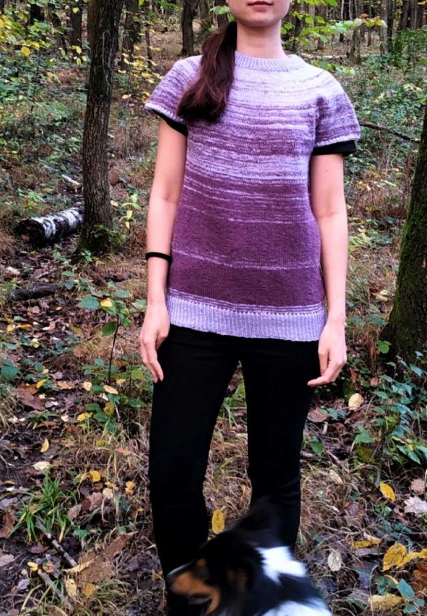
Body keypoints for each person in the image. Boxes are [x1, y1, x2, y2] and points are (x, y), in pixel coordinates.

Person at [140, 2, 360, 614]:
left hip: (290, 320)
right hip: (192, 312)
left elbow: (330, 211)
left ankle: (261, 605)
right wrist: (156, 300)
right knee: (172, 475)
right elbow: (165, 194)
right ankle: (195, 602)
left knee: (275, 480)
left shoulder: (320, 90)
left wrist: (335, 319)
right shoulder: (189, 77)